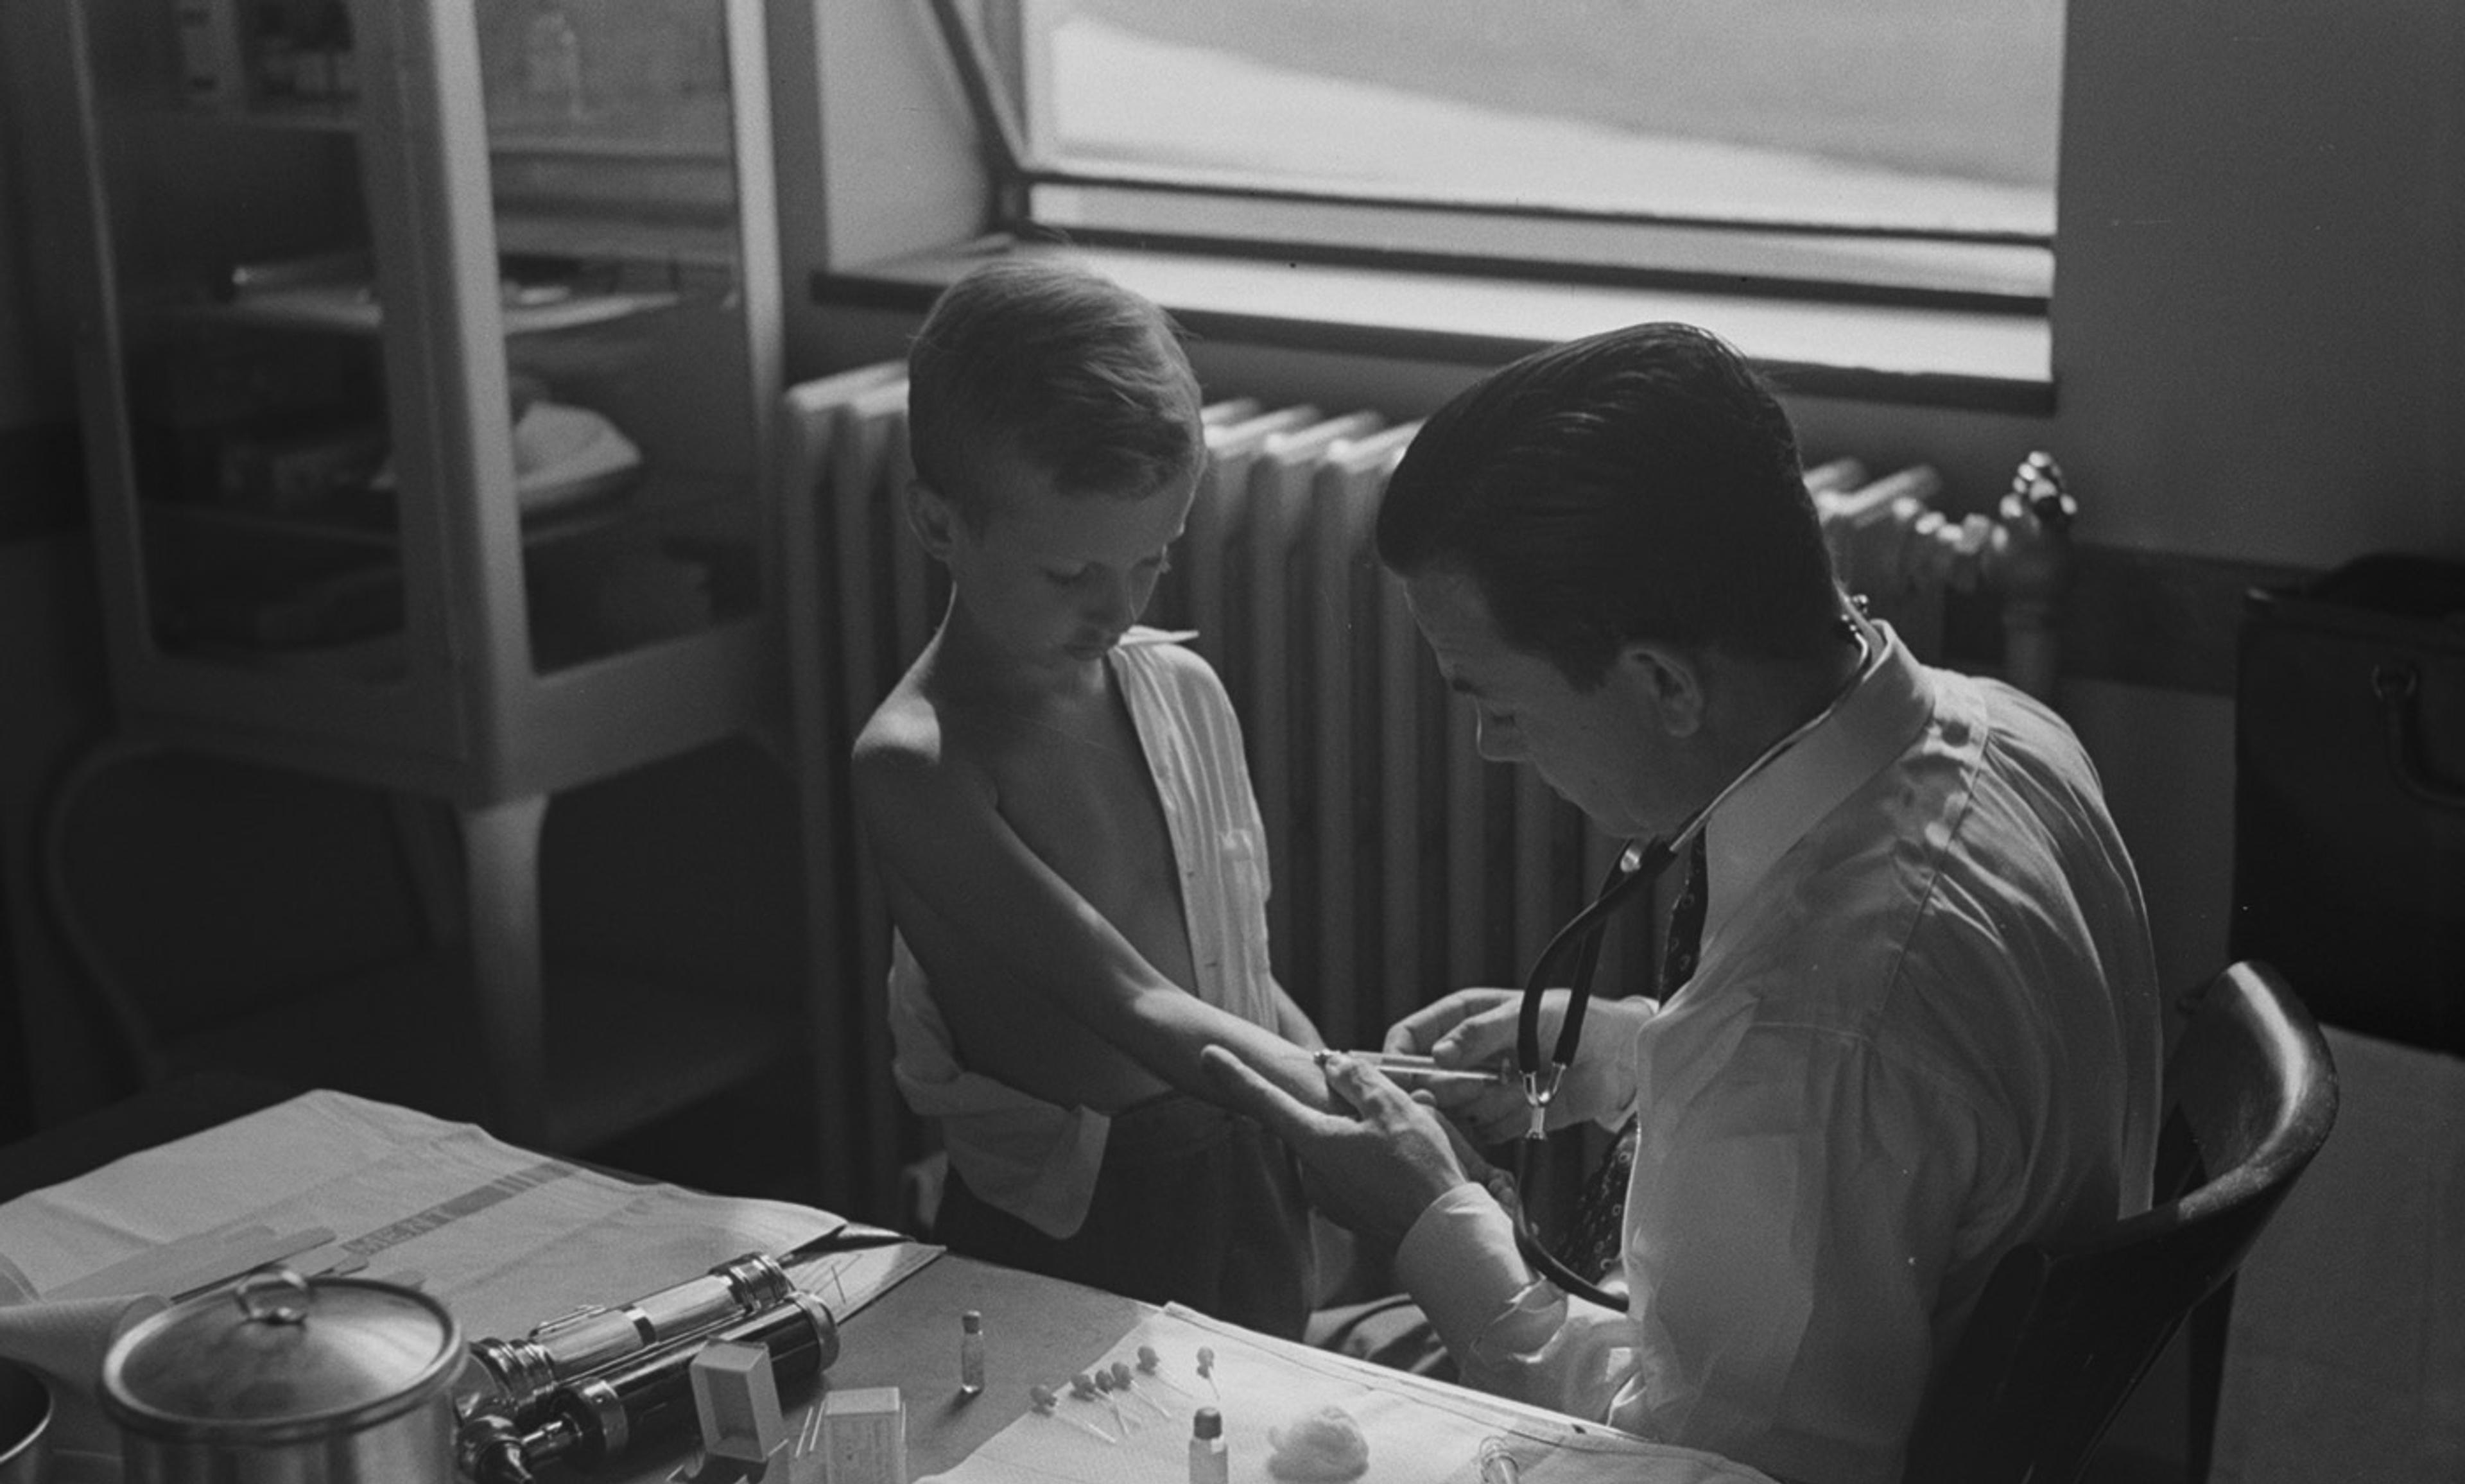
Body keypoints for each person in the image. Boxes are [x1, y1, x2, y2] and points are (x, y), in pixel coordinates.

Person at [1201, 321, 2163, 1482]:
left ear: (1662, 684)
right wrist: (1626, 1055)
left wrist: (1433, 1220)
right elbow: (1907, 1136)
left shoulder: (1810, 1040)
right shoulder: (2007, 732)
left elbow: (1687, 1475)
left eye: (1495, 699)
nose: (1491, 747)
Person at [850, 255, 1333, 1339]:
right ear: (938, 524)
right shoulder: (918, 764)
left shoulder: (1182, 689)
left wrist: (1349, 1082)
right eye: (1072, 576)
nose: (1117, 610)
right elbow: (1128, 1001)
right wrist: (1348, 1107)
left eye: (1150, 563)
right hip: (1081, 1224)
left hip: (1244, 1158)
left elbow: (1232, 977)